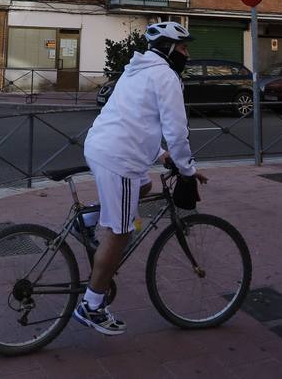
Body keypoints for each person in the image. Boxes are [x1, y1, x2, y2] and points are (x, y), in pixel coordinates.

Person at [74, 21, 206, 335]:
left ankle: (88, 220)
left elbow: (135, 118)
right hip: (119, 158)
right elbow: (177, 132)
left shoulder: (138, 69)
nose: (187, 53)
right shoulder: (165, 77)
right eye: (184, 47)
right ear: (168, 49)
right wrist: (186, 170)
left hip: (102, 146)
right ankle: (91, 305)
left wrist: (161, 156)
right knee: (121, 232)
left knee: (143, 185)